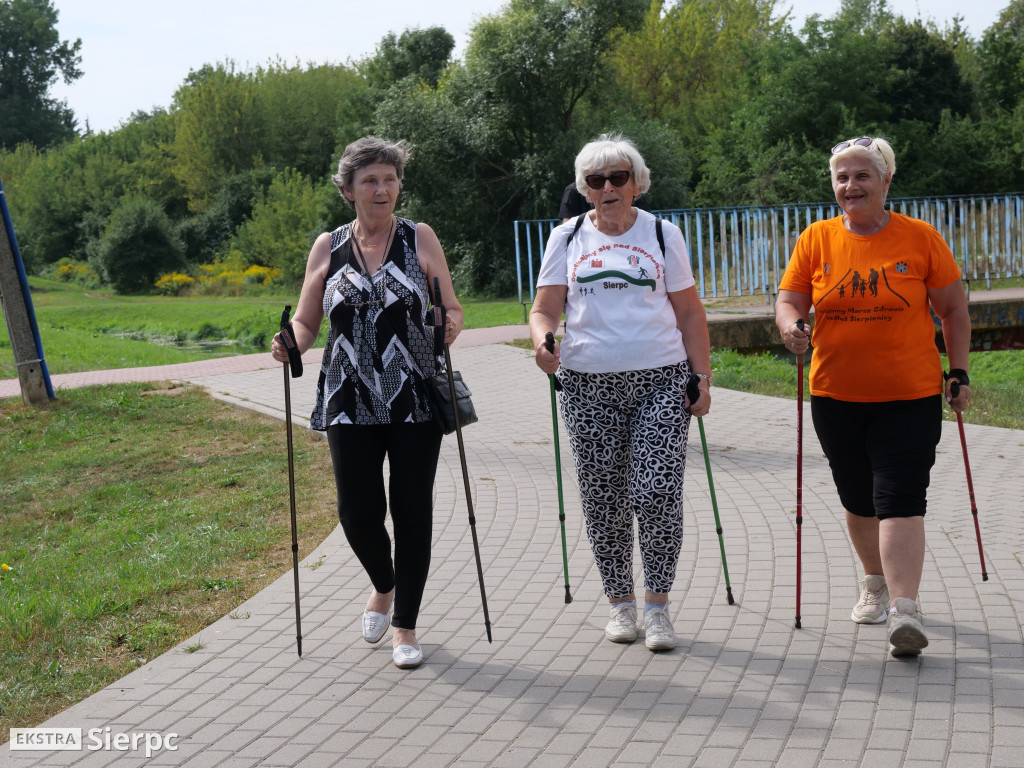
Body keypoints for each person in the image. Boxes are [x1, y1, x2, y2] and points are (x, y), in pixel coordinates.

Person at [775, 135, 971, 657]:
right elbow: (790, 299)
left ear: (886, 180)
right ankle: (874, 582)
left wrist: (959, 372)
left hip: (909, 394)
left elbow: (953, 309)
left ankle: (905, 612)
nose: (850, 185)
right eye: (842, 177)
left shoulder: (921, 238)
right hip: (836, 394)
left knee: (900, 497)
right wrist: (792, 326)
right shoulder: (816, 239)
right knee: (858, 499)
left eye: (862, 175)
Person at [271, 136, 462, 670]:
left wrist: (449, 324)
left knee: (411, 510)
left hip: (413, 396)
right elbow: (308, 320)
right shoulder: (327, 248)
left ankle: (405, 625)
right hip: (347, 395)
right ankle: (385, 583)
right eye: (370, 181)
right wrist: (291, 341)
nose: (382, 189)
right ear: (349, 190)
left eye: (390, 179)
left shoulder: (420, 237)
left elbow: (451, 305)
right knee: (357, 514)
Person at [531, 133, 712, 651]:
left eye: (618, 177)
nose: (608, 187)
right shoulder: (565, 238)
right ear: (585, 189)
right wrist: (543, 340)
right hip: (587, 384)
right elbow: (545, 308)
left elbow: (689, 312)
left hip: (659, 377)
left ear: (636, 183)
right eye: (596, 180)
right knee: (604, 499)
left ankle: (657, 608)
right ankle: (620, 605)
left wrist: (701, 377)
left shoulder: (661, 234)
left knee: (656, 492)